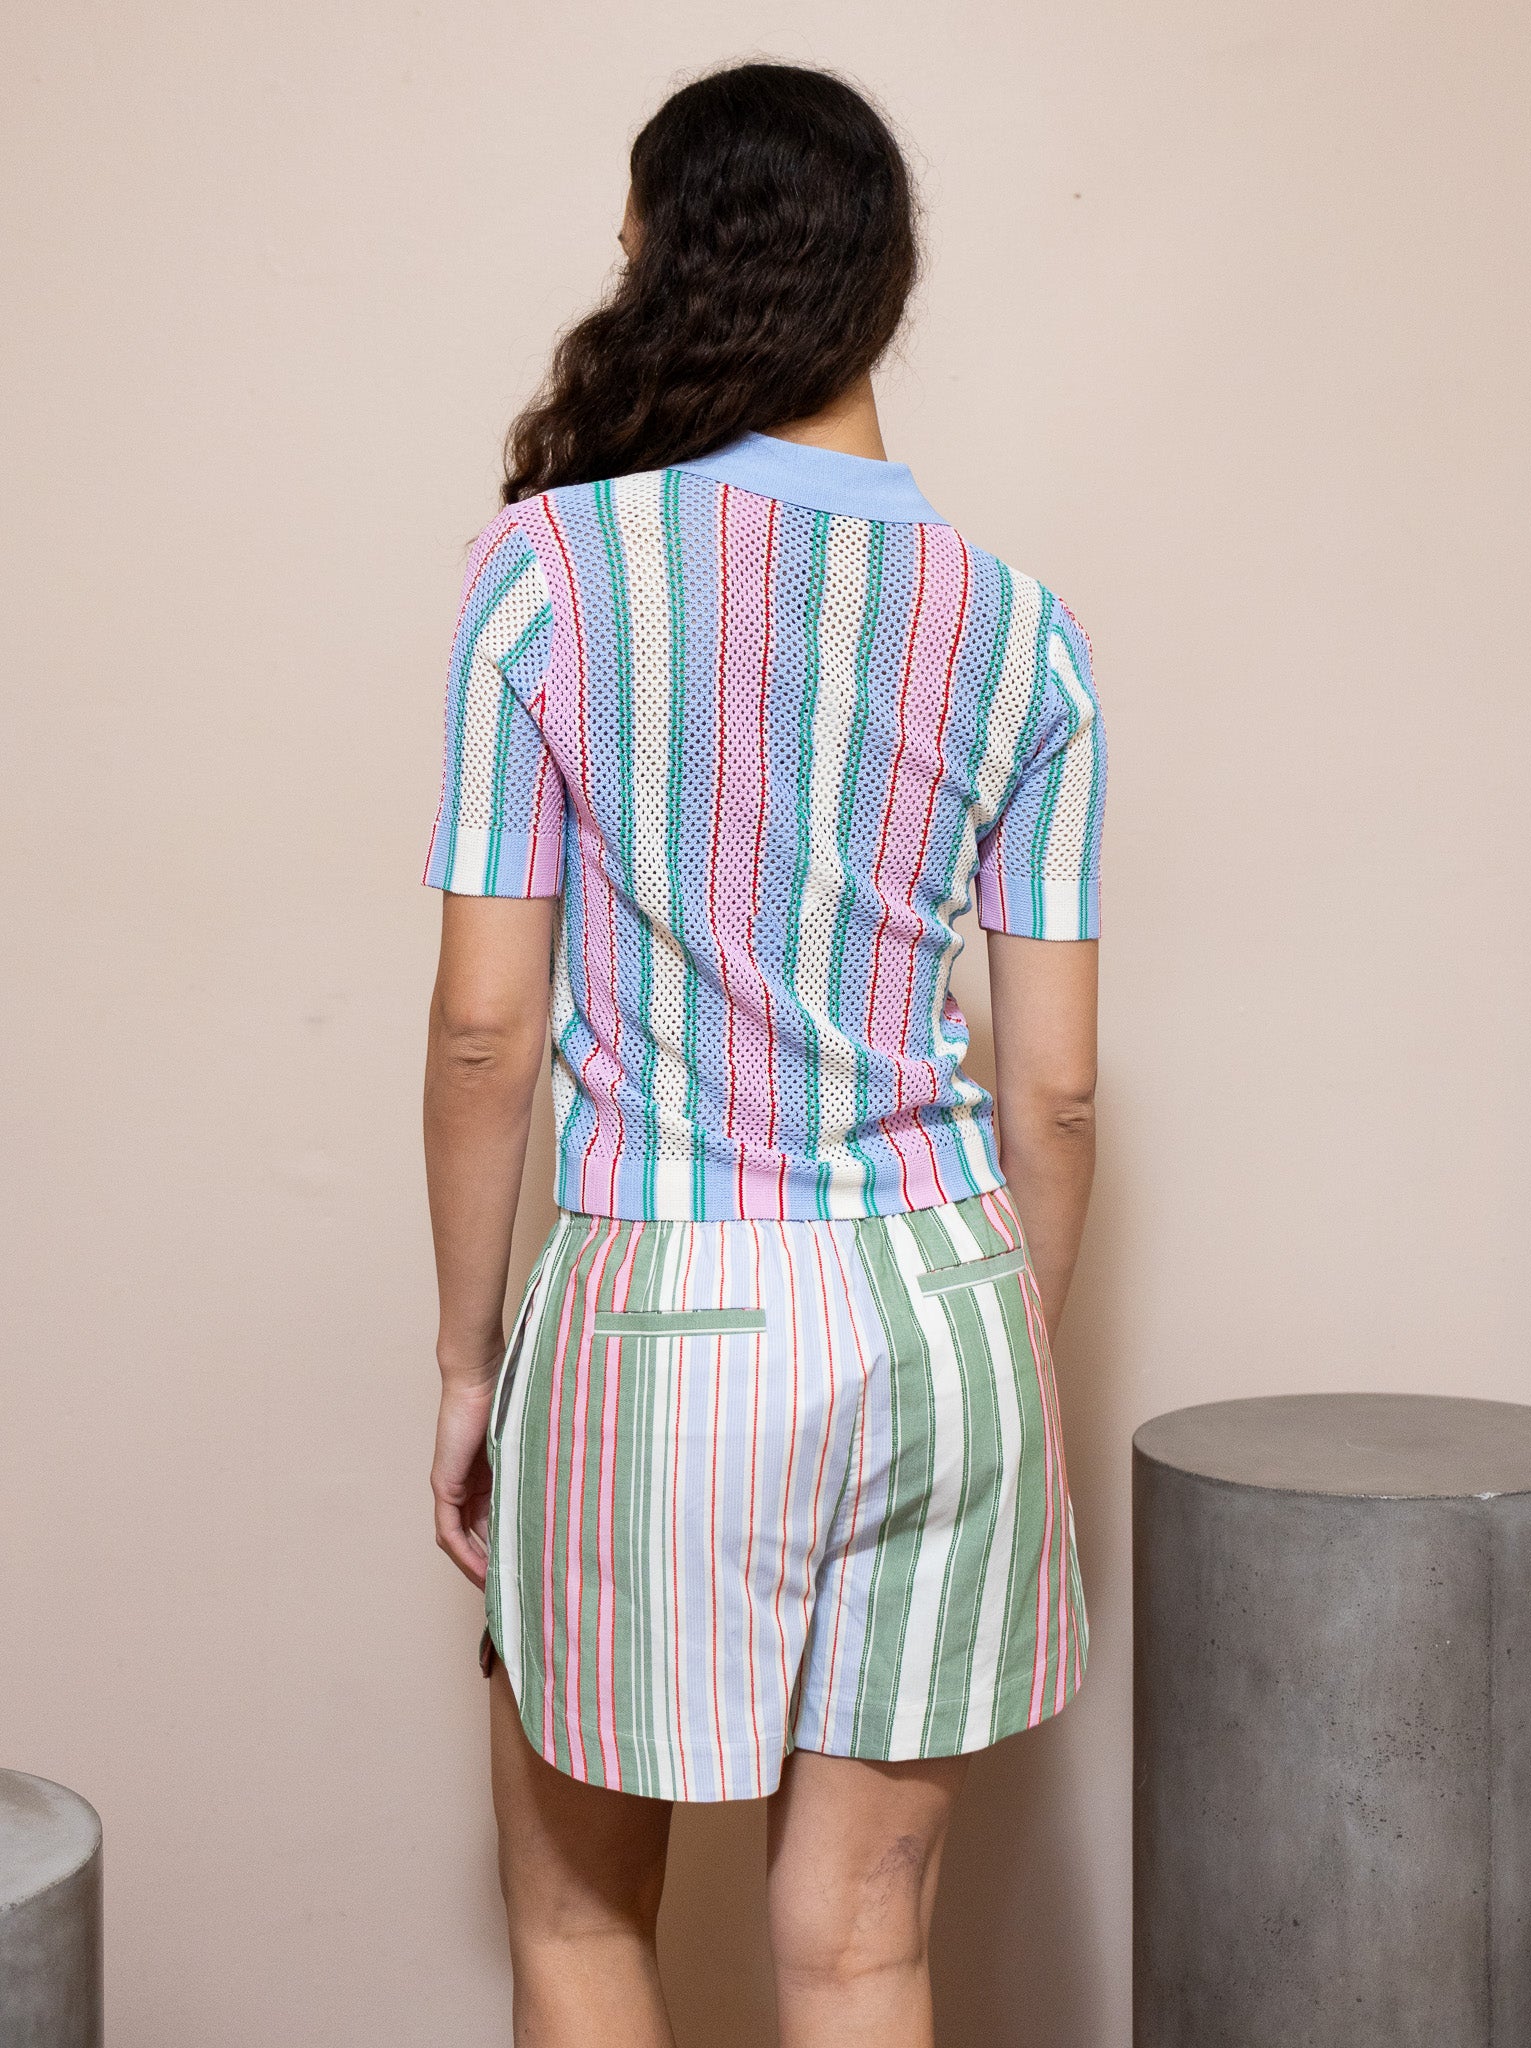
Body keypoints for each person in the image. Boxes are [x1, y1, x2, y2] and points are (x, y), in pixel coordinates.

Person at [421, 58, 1105, 2048]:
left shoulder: (549, 573)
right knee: (863, 1945)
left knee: (577, 1916)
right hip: (949, 1309)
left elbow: (486, 1027)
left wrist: (467, 1360)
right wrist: (1011, 1340)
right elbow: (1057, 1091)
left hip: (664, 1311)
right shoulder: (1024, 631)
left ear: (658, 264)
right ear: (887, 286)